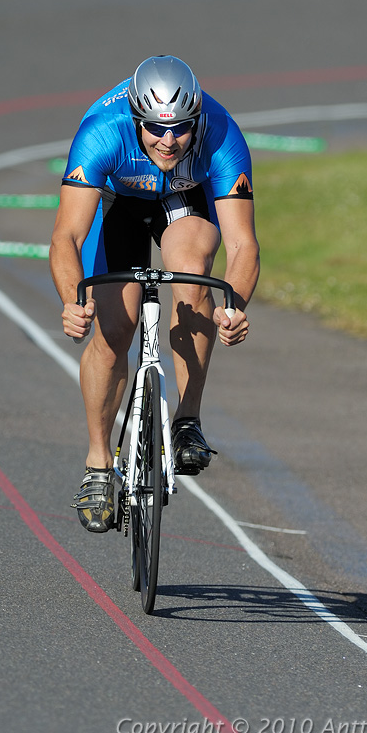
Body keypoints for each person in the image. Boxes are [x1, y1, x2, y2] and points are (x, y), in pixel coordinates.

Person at [49, 55, 260, 532]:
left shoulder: (222, 135)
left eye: (181, 129)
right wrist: (71, 299)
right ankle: (100, 462)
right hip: (119, 203)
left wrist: (235, 306)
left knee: (194, 275)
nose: (168, 141)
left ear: (197, 119)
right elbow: (66, 237)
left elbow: (244, 243)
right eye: (156, 130)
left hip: (185, 200)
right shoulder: (103, 131)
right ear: (136, 118)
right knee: (115, 329)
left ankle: (187, 420)